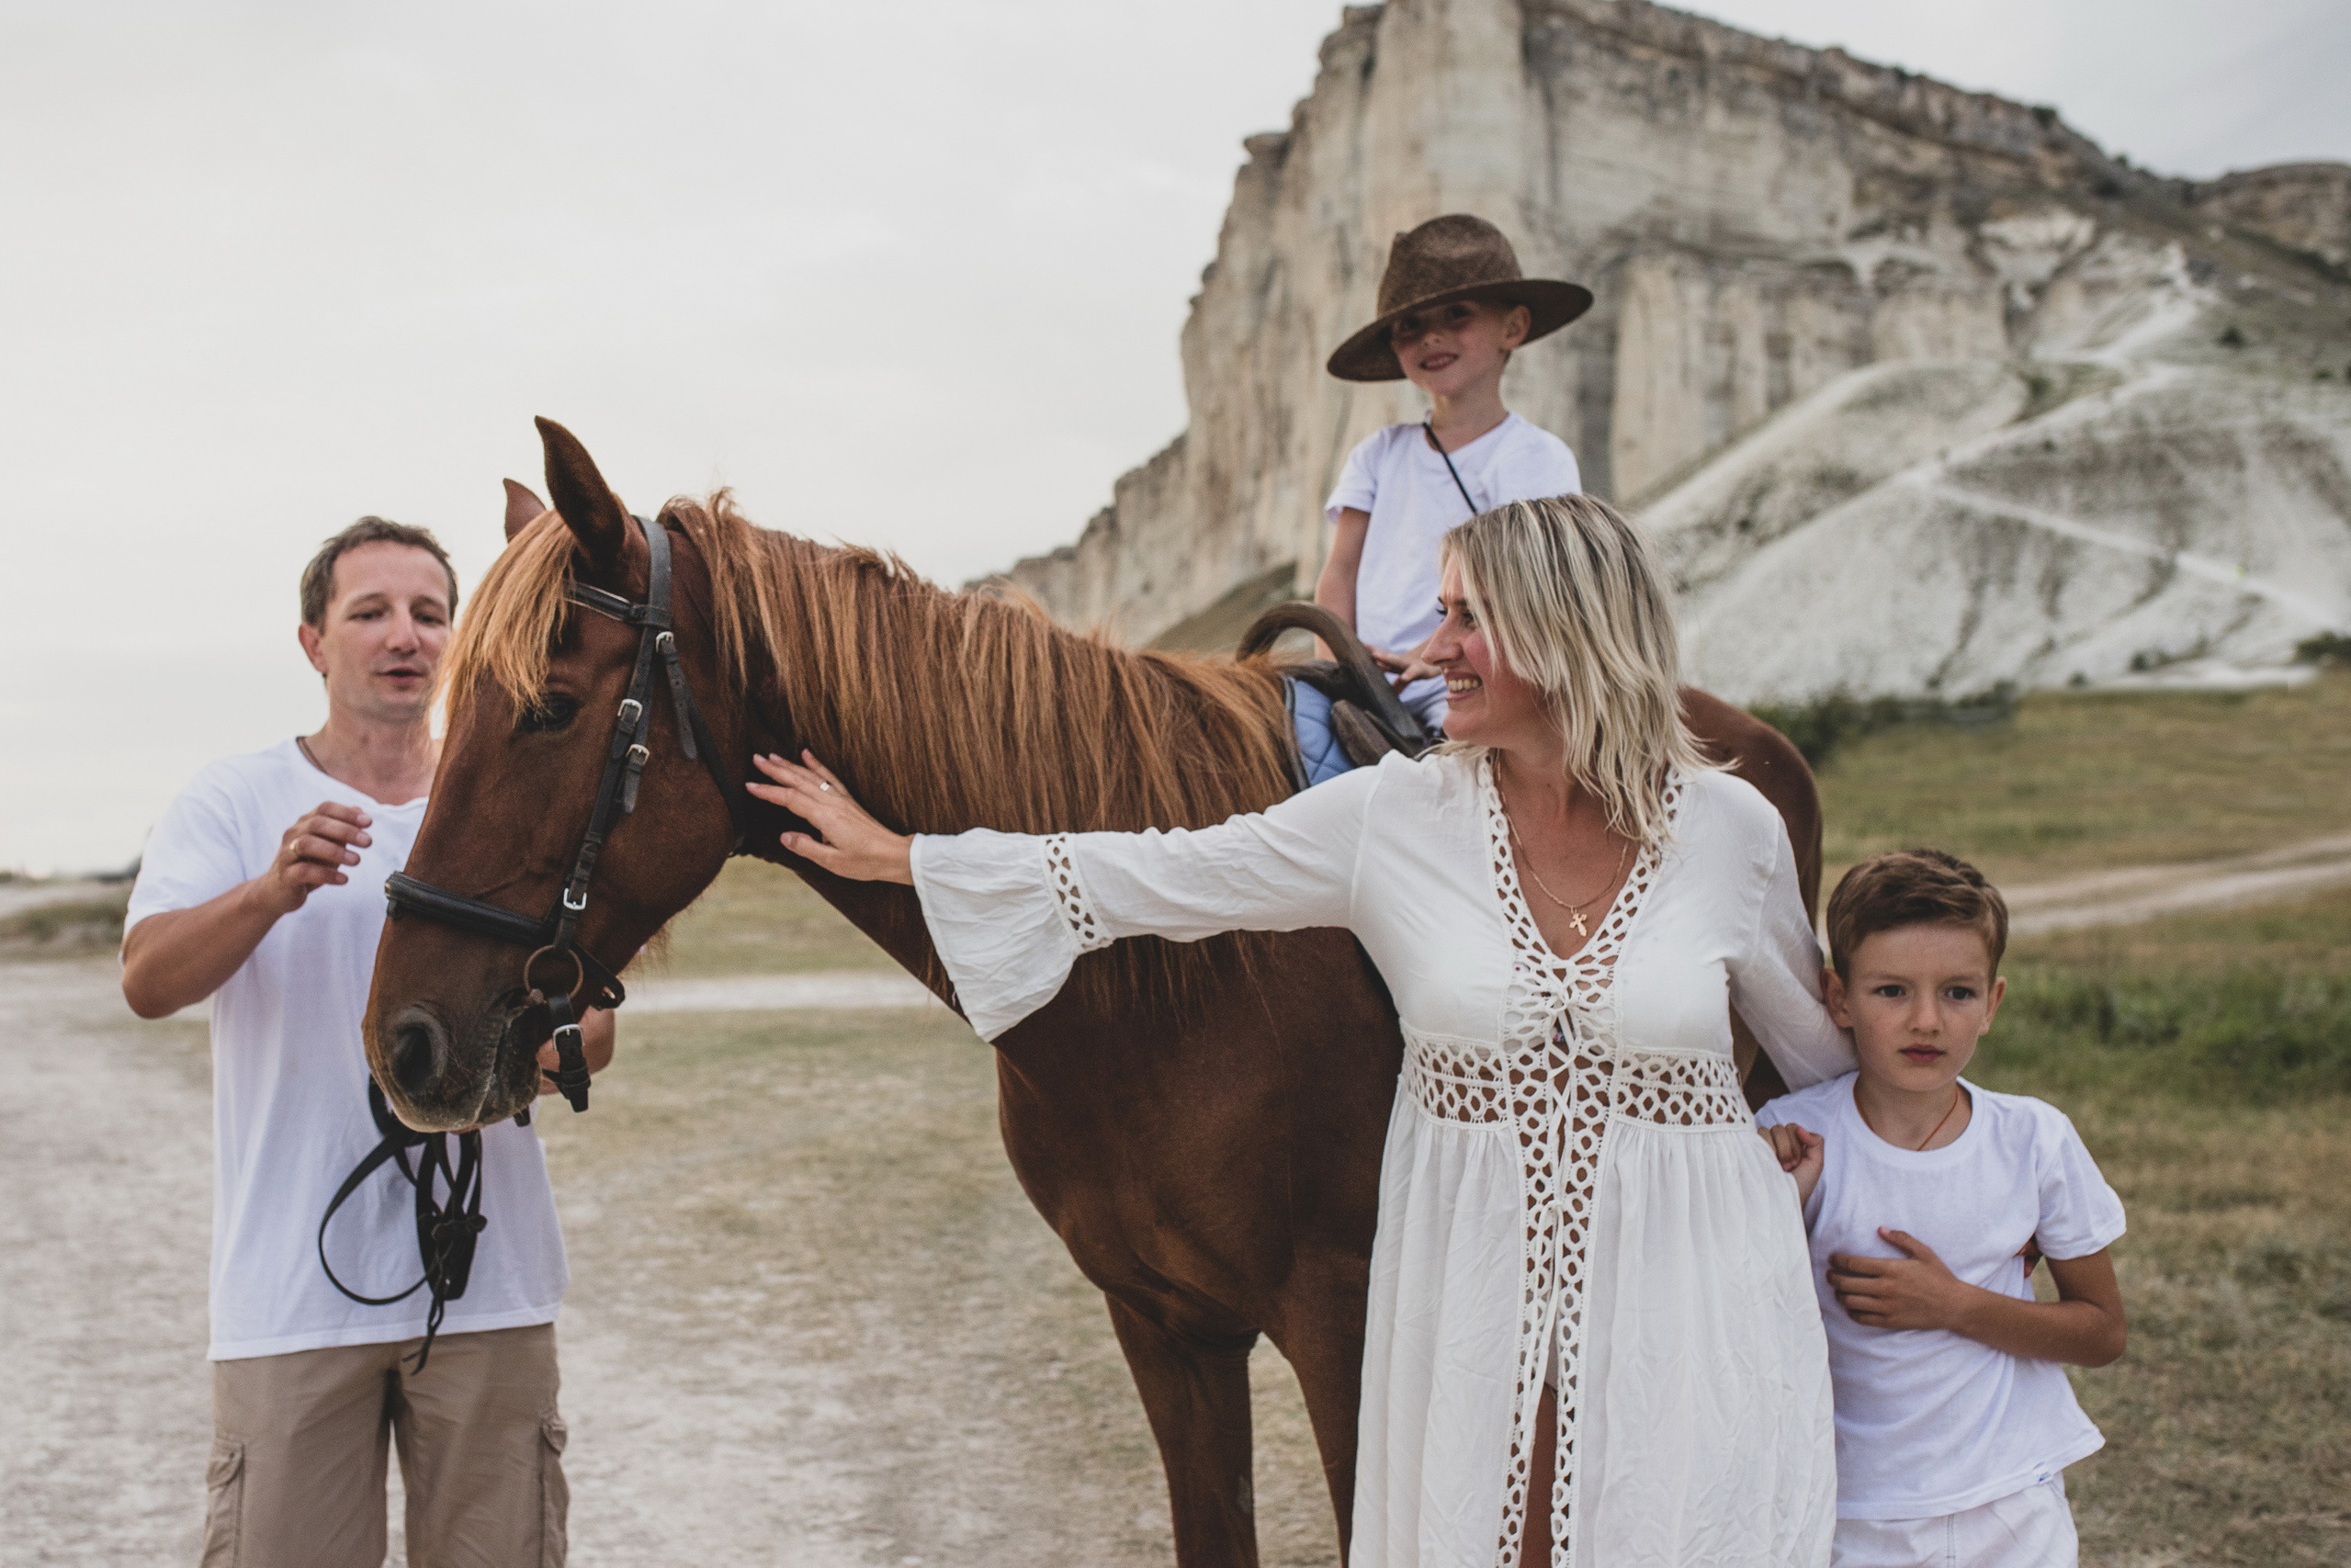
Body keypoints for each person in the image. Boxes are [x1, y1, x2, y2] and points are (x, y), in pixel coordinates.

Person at [752, 494, 1857, 1567]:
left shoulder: (1730, 830)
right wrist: (913, 858)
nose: (1432, 650)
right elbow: (1151, 874)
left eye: (1469, 619)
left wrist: (1836, 1184)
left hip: (1692, 1274)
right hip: (1475, 1279)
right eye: (1441, 612)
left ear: (1569, 630)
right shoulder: (1390, 819)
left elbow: (1816, 1058)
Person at [120, 516, 613, 1568]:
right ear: (314, 641)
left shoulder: (511, 795)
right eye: (371, 613)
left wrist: (545, 1039)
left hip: (488, 1282)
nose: (406, 637)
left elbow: (592, 1033)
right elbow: (147, 982)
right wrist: (268, 892)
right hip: (289, 1290)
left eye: (431, 614)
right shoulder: (238, 797)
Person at [1756, 850, 2128, 1568]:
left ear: (1992, 1003)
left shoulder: (2033, 1139)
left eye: (1957, 992)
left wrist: (1954, 1304)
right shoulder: (1794, 1136)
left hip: (2010, 1502)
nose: (1926, 1020)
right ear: (1838, 998)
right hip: (1851, 1510)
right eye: (1891, 990)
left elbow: (2102, 1331)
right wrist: (1775, 1198)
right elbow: (1736, 1314)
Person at [1316, 214, 1590, 732]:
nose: (1430, 337)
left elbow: (1526, 588)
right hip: (1368, 683)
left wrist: (1428, 656)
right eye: (1409, 326)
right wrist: (1338, 666)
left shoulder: (1536, 458)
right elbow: (1340, 571)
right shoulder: (1378, 454)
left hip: (1471, 682)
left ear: (1513, 327)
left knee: (1459, 769)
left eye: (1456, 315)